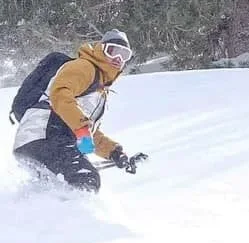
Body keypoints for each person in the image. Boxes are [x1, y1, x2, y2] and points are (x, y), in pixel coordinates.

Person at [8, 29, 146, 193]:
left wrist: (114, 152)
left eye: (124, 55)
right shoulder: (84, 67)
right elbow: (60, 93)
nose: (118, 58)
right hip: (44, 135)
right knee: (86, 179)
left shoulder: (99, 90)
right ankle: (80, 216)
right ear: (100, 50)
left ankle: (34, 215)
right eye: (113, 51)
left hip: (37, 140)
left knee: (55, 191)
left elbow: (87, 132)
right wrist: (81, 128)